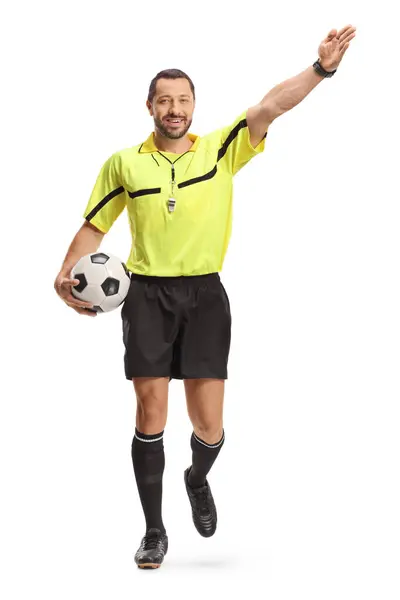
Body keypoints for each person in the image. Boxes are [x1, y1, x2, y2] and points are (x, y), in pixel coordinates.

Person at [54, 25, 356, 569]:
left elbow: (271, 106)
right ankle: (153, 531)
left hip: (205, 297)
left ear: (194, 105)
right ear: (149, 105)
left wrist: (321, 68)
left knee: (208, 425)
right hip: (145, 296)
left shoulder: (221, 149)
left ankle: (196, 478)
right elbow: (93, 230)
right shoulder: (124, 163)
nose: (174, 109)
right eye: (164, 100)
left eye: (183, 100)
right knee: (150, 413)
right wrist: (63, 272)